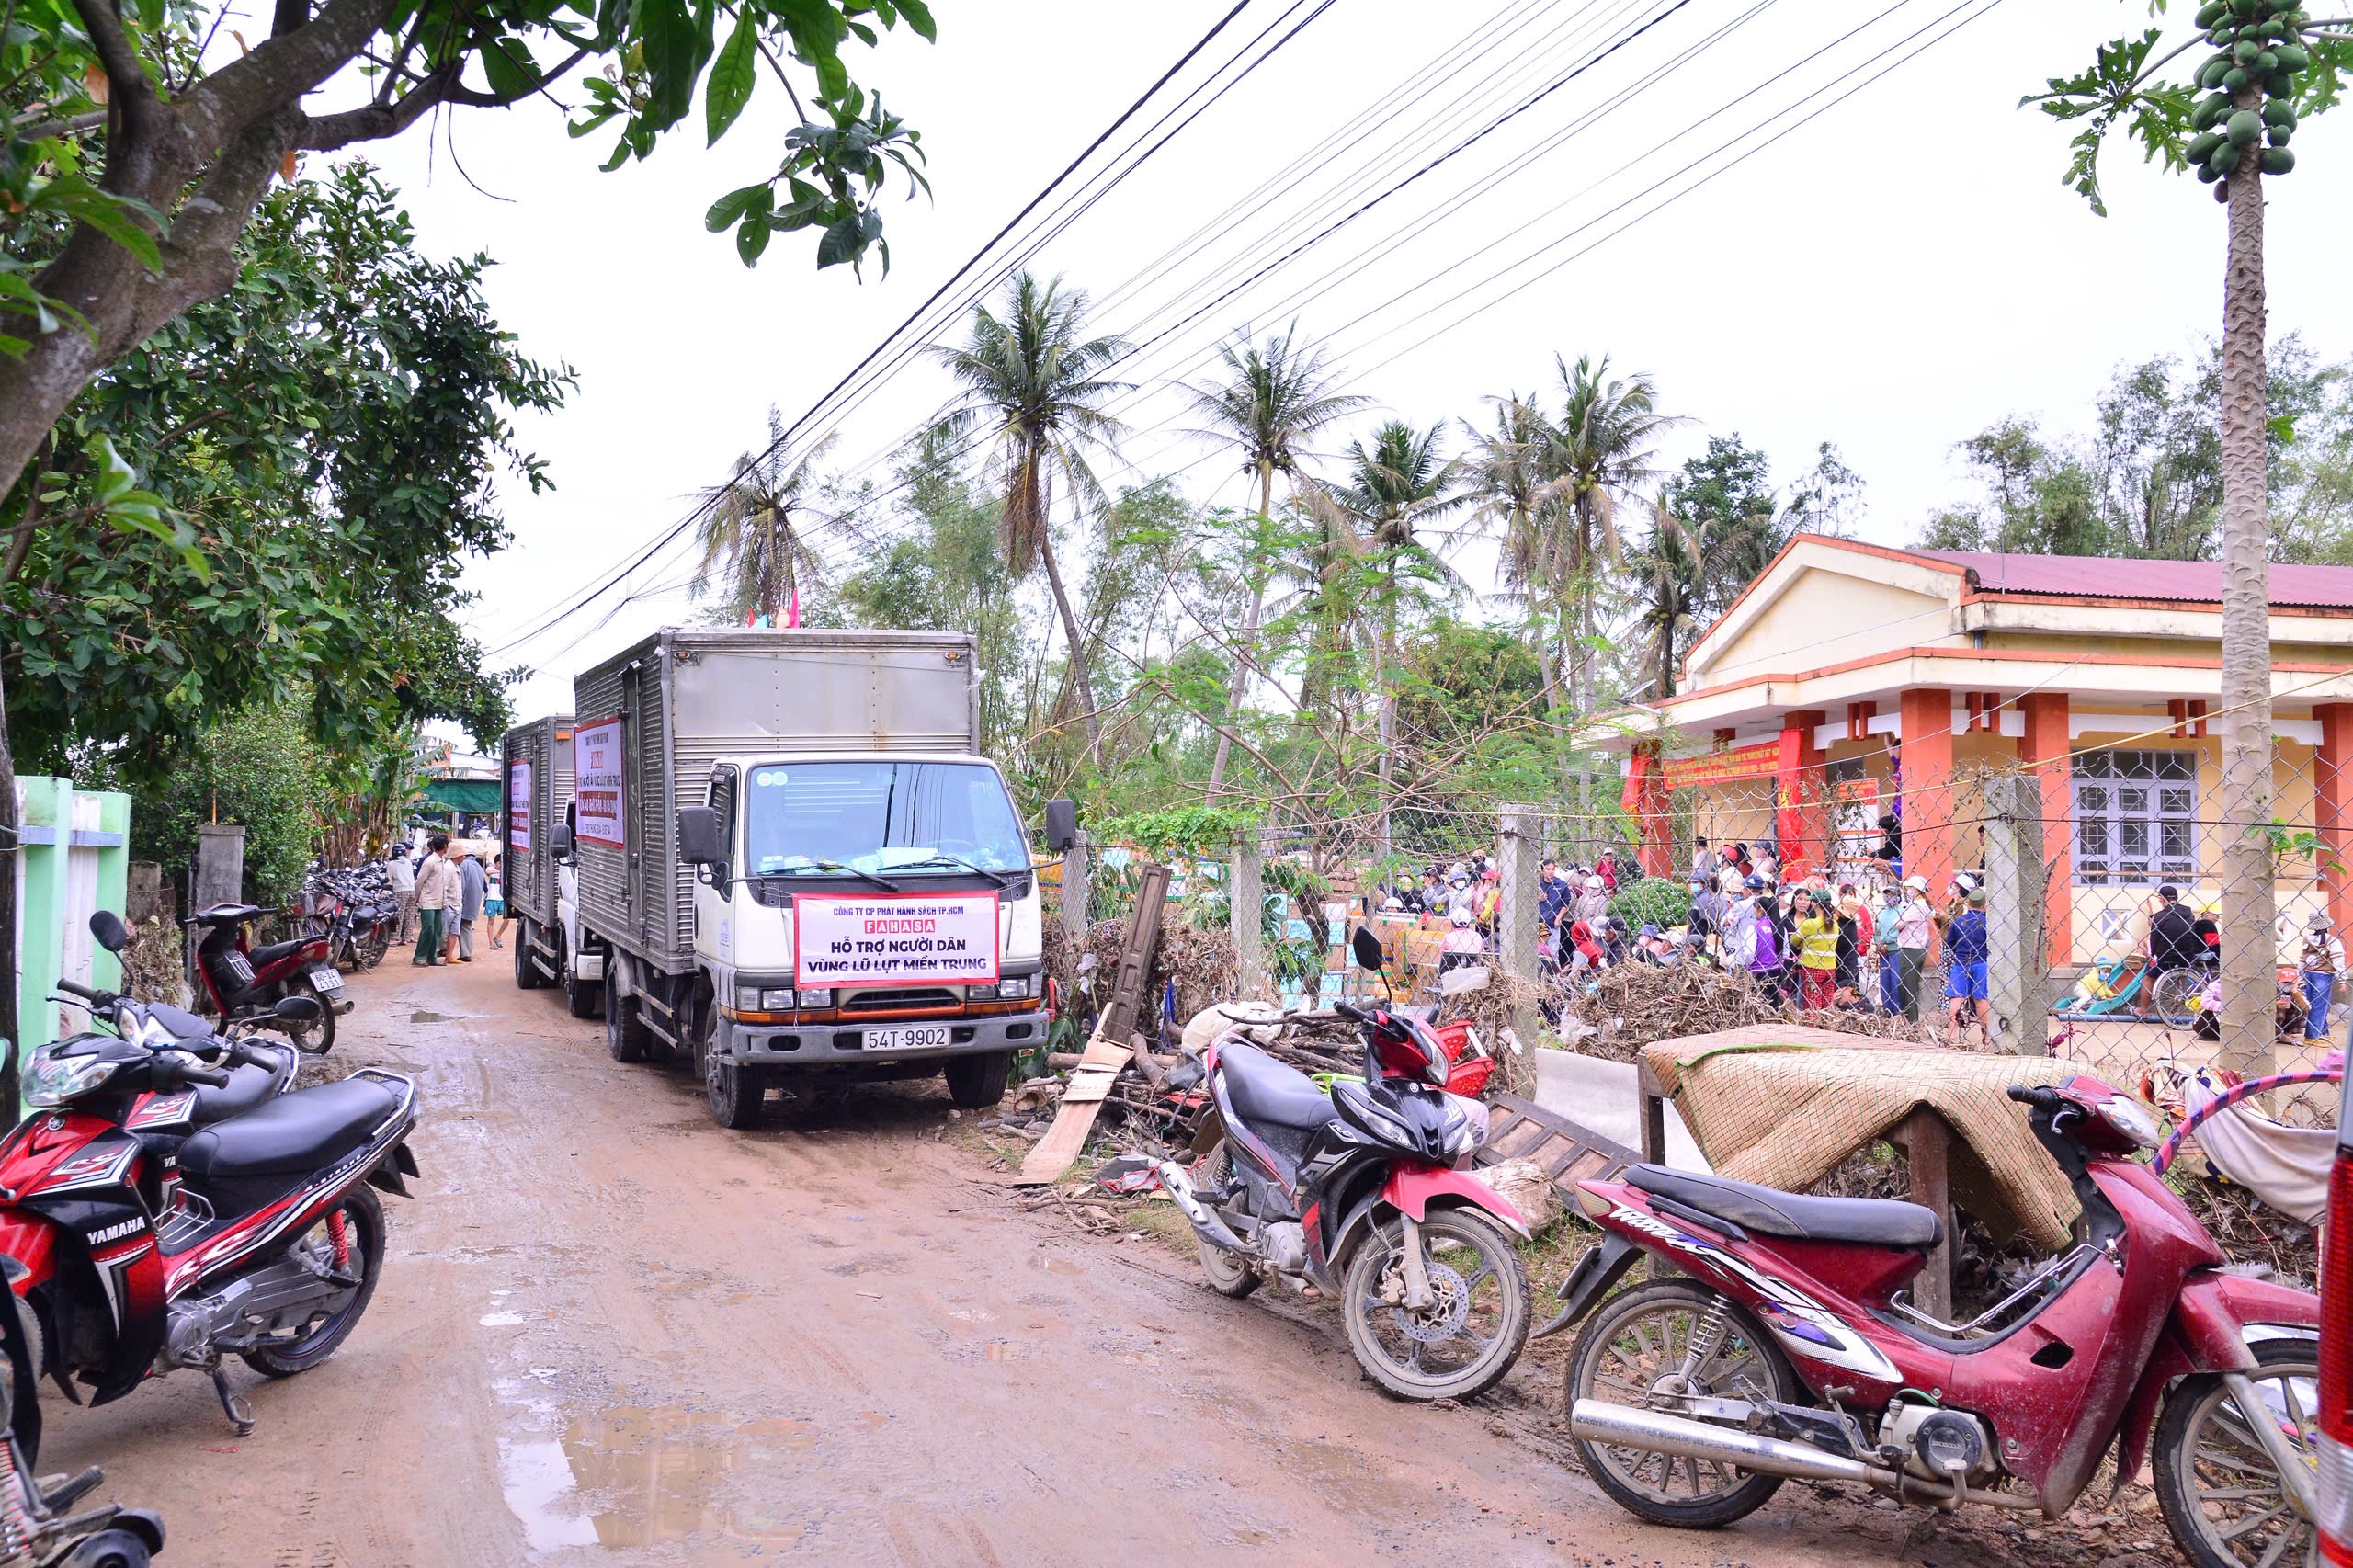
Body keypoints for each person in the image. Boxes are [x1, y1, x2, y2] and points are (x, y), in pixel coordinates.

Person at [2139, 885, 2202, 1021]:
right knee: (2181, 975)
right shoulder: (2189, 914)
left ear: (2162, 899)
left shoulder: (2159, 916)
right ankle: (2180, 999)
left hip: (2165, 955)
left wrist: (2153, 955)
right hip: (2186, 956)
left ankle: (2143, 1010)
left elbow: (2154, 939)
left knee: (2148, 978)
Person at [1943, 884, 1992, 1046]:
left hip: (1961, 962)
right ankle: (1986, 1035)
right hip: (1981, 962)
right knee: (1981, 999)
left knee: (1956, 998)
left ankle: (1951, 1035)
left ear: (1968, 904)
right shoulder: (1987, 923)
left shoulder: (1958, 921)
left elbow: (1950, 943)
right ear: (1984, 905)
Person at [413, 835, 458, 966]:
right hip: (427, 900)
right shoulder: (430, 861)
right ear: (445, 847)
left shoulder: (442, 861)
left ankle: (431, 957)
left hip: (439, 901)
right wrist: (416, 897)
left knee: (437, 929)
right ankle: (419, 956)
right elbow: (420, 881)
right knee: (428, 929)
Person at [1792, 889, 1839, 1010]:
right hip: (1830, 968)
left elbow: (1793, 941)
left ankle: (1812, 1027)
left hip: (1812, 969)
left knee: (1812, 1004)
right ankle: (1825, 1027)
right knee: (1826, 1005)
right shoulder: (1834, 924)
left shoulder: (1810, 924)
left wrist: (1804, 943)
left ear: (1815, 903)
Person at [1895, 874, 1933, 1022]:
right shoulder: (1924, 906)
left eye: (1910, 888)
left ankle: (1911, 1019)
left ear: (1917, 890)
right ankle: (1910, 1018)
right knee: (1910, 984)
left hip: (1910, 948)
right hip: (1919, 947)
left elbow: (1897, 923)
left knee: (1908, 985)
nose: (1908, 890)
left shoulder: (1916, 906)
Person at [2299, 914, 2344, 1040]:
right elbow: (2338, 960)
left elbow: (2302, 960)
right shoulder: (2332, 940)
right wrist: (2342, 979)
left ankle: (2323, 1033)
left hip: (2308, 974)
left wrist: (2300, 977)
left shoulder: (2307, 939)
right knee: (2321, 1006)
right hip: (2323, 976)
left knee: (2315, 1005)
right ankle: (2312, 1036)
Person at [449, 842, 486, 963]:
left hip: (462, 901)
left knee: (451, 926)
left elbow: (461, 885)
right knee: (467, 927)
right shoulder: (479, 867)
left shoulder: (463, 865)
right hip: (474, 903)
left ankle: (445, 950)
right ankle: (466, 953)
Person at [1874, 882, 1904, 1014]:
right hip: (1883, 952)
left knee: (1896, 982)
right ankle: (1887, 1010)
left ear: (1898, 895)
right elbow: (1876, 931)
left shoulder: (1902, 911)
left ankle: (1897, 1011)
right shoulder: (1881, 913)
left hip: (1896, 950)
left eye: (1892, 894)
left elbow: (1899, 932)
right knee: (1884, 982)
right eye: (1886, 894)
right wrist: (1878, 943)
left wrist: (1886, 941)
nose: (1888, 897)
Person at [386, 840, 417, 945]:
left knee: (398, 914)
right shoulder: (409, 862)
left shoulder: (391, 864)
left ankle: (395, 938)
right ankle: (406, 938)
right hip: (411, 890)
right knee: (409, 914)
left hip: (400, 890)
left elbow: (389, 880)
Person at [485, 854, 510, 952]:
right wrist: (500, 871)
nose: (500, 865)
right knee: (491, 920)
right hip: (492, 898)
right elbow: (487, 871)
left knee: (507, 918)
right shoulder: (492, 869)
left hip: (502, 898)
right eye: (499, 863)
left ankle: (498, 936)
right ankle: (491, 941)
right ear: (496, 863)